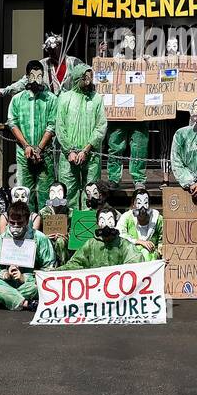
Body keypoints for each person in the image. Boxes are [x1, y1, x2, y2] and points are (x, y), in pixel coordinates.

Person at [0, 201, 58, 311]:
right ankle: (25, 303)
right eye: (12, 223)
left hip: (28, 284)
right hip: (6, 283)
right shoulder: (0, 240)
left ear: (27, 221)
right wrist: (4, 274)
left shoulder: (40, 239)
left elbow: (49, 269)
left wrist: (24, 278)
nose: (15, 226)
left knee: (40, 287)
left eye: (20, 223)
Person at [54, 63, 107, 209]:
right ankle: (70, 225)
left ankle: (87, 226)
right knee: (67, 191)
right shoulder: (65, 98)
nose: (88, 82)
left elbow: (101, 126)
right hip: (68, 156)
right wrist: (69, 150)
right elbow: (60, 127)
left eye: (90, 77)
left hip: (91, 155)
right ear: (78, 78)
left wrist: (86, 149)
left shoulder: (96, 99)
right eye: (85, 78)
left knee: (90, 193)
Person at [9, 60, 58, 211]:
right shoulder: (17, 99)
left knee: (45, 192)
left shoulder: (51, 99)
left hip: (45, 154)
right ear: (27, 76)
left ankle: (45, 226)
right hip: (24, 154)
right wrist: (26, 146)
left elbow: (52, 125)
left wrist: (39, 148)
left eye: (40, 75)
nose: (36, 79)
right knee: (24, 192)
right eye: (33, 75)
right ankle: (26, 225)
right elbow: (12, 122)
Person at [102, 33, 150, 189]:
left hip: (139, 115)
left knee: (139, 147)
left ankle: (139, 179)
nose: (130, 44)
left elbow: (155, 77)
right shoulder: (115, 60)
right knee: (115, 146)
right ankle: (114, 178)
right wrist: (108, 60)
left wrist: (149, 63)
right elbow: (102, 77)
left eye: (133, 41)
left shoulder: (143, 60)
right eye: (127, 41)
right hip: (119, 115)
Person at [0, 31, 82, 98]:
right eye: (49, 50)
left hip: (70, 107)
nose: (51, 53)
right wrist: (4, 91)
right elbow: (25, 81)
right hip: (50, 107)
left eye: (54, 49)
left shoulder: (74, 63)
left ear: (61, 47)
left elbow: (87, 77)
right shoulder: (43, 65)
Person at [63, 206, 148, 268]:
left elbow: (136, 260)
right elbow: (75, 263)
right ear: (97, 223)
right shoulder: (90, 244)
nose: (106, 224)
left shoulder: (123, 244)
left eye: (110, 220)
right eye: (102, 221)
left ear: (115, 222)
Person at [118, 188, 163, 259]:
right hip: (131, 254)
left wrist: (160, 252)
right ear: (133, 204)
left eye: (145, 203)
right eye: (139, 203)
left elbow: (163, 238)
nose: (143, 208)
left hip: (152, 255)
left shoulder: (157, 218)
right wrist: (139, 242)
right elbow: (120, 234)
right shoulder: (126, 217)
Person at [39, 183, 73, 265]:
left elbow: (75, 233)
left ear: (65, 195)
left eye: (59, 192)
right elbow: (37, 233)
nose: (56, 196)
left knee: (60, 241)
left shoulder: (70, 212)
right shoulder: (42, 213)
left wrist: (67, 235)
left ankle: (63, 266)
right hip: (47, 241)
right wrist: (45, 237)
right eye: (52, 192)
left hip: (64, 243)